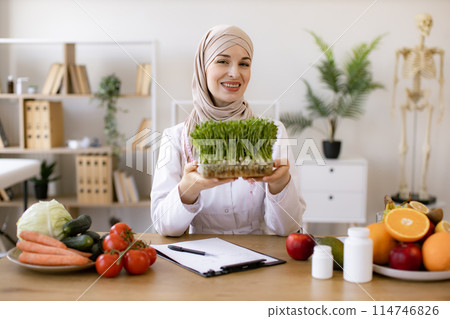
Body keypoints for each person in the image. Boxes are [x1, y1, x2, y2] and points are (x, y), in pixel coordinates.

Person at [151, 25, 305, 236]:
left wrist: (279, 184)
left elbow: (287, 228)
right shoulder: (175, 137)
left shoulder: (273, 133)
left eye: (244, 64)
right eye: (222, 61)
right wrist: (189, 188)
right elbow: (164, 227)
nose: (235, 73)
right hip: (199, 257)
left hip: (258, 256)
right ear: (202, 67)